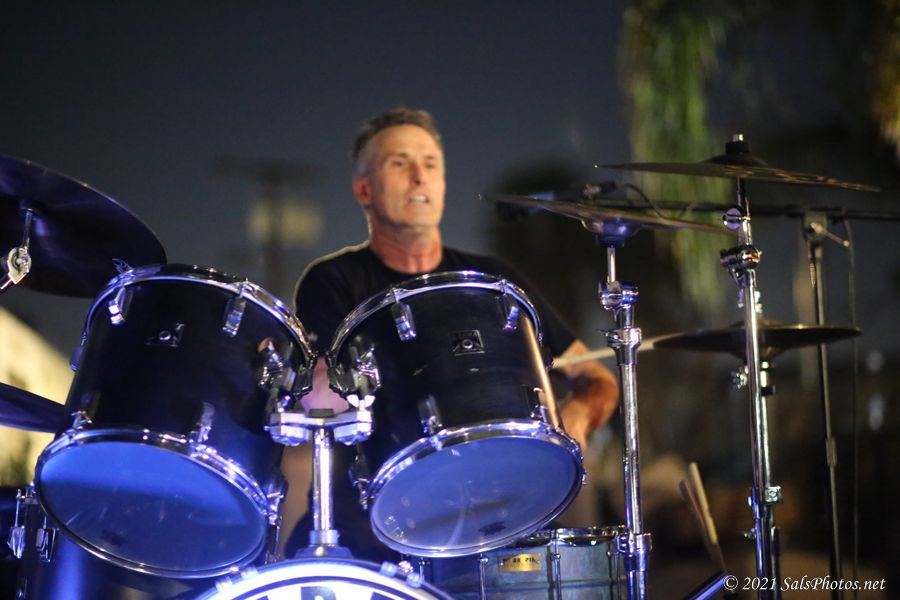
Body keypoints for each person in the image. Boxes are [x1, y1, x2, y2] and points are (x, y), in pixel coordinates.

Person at [281, 106, 619, 561]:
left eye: (430, 164)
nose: (419, 176)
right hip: (371, 532)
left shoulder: (493, 281)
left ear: (441, 182)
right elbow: (322, 399)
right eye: (399, 163)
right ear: (364, 189)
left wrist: (576, 415)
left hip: (498, 524)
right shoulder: (333, 281)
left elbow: (598, 380)